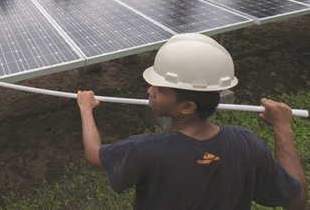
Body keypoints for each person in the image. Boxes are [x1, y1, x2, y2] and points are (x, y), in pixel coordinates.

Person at [77, 33, 308, 210]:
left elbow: (94, 155)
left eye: (160, 89)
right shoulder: (247, 144)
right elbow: (296, 200)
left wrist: (86, 108)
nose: (150, 90)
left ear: (187, 107)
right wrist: (282, 127)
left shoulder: (145, 149)